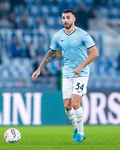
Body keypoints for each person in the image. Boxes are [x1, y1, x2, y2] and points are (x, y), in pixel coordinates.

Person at [31, 9, 99, 142]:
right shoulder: (58, 36)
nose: (65, 20)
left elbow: (95, 53)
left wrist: (81, 66)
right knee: (67, 106)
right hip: (67, 74)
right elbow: (51, 53)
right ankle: (76, 127)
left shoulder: (83, 34)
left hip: (81, 74)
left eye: (68, 17)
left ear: (74, 19)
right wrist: (39, 69)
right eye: (63, 18)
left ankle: (80, 132)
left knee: (75, 103)